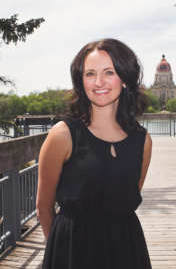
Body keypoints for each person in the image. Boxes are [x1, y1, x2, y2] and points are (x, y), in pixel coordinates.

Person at [36, 38, 153, 269]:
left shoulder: (142, 140)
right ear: (81, 80)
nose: (99, 82)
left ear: (126, 79)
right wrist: (60, 251)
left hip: (126, 249)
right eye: (90, 73)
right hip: (71, 251)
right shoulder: (63, 135)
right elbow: (43, 207)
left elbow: (126, 198)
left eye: (109, 72)